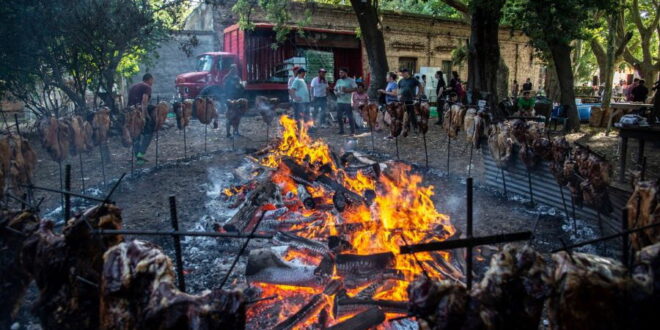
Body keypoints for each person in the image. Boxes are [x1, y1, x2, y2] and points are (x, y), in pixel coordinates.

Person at [127, 73, 154, 164]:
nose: (152, 82)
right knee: (148, 133)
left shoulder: (133, 86)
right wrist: (146, 115)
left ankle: (138, 158)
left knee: (135, 135)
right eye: (152, 80)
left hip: (130, 113)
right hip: (139, 113)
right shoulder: (147, 87)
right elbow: (144, 101)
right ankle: (141, 154)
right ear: (148, 79)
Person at [397, 68, 421, 134]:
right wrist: (399, 95)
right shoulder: (401, 81)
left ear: (407, 73)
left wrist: (418, 95)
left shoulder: (413, 79)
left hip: (411, 100)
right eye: (402, 73)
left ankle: (415, 128)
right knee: (404, 115)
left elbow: (420, 86)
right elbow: (398, 89)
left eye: (403, 73)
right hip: (403, 100)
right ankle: (407, 128)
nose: (402, 74)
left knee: (412, 114)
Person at [334, 67, 358, 135]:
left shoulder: (351, 80)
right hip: (339, 101)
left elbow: (356, 89)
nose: (340, 74)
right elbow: (335, 89)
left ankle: (352, 131)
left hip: (347, 102)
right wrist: (336, 93)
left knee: (350, 117)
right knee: (339, 116)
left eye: (341, 72)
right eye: (339, 73)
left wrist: (347, 90)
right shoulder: (338, 81)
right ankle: (341, 130)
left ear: (346, 73)